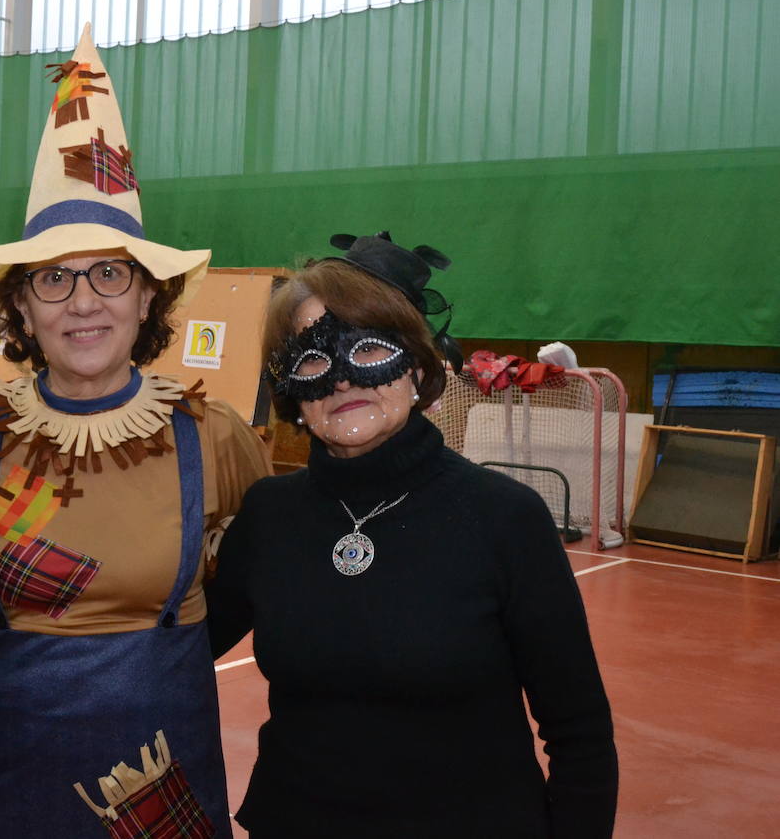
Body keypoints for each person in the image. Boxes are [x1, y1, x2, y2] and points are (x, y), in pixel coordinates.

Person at [0, 24, 271, 838]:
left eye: (110, 274)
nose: (82, 301)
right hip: (2, 769)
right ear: (21, 309)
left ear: (147, 299)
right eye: (54, 279)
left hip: (157, 775)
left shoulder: (213, 437)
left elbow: (265, 579)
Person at [207, 232, 618, 838]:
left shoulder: (505, 518)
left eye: (368, 350)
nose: (342, 380)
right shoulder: (271, 514)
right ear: (293, 394)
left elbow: (578, 730)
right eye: (314, 360)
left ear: (419, 366)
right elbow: (178, 650)